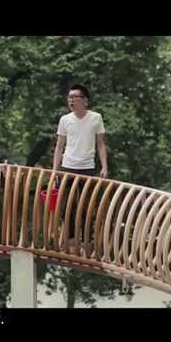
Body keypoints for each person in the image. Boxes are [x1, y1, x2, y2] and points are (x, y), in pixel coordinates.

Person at [52, 84, 108, 252]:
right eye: (69, 98)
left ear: (85, 100)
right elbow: (59, 146)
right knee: (66, 206)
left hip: (87, 167)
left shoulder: (96, 118)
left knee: (86, 206)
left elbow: (101, 144)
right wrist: (55, 169)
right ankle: (70, 239)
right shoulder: (65, 119)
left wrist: (104, 166)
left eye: (74, 97)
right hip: (67, 166)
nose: (71, 101)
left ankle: (86, 240)